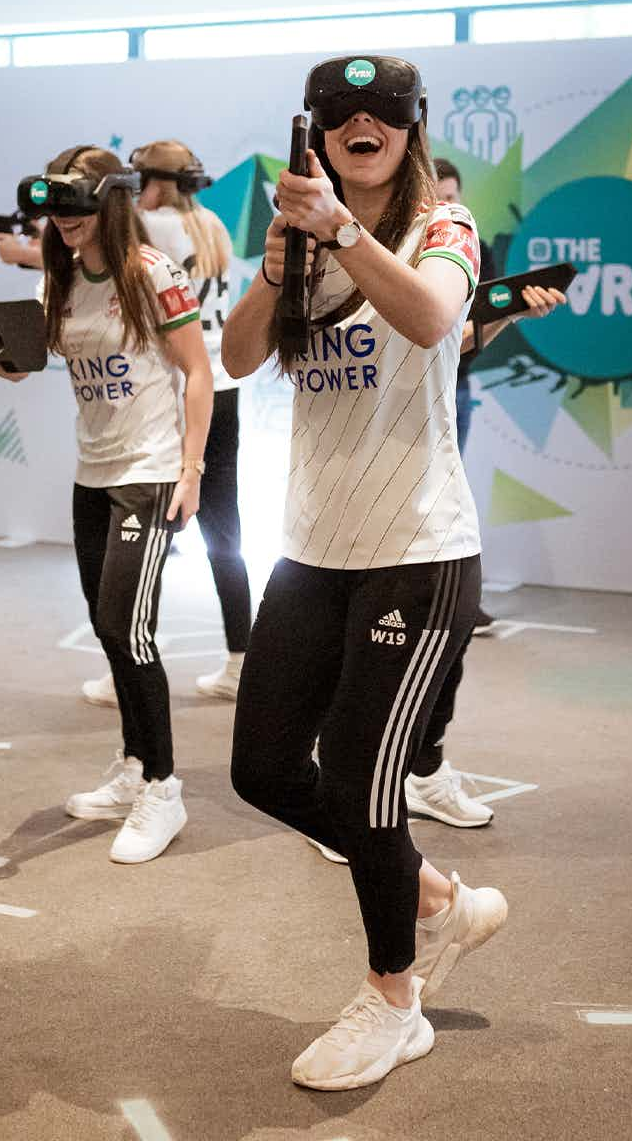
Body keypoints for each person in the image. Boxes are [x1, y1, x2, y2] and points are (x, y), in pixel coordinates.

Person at [223, 54, 509, 1091]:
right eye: (339, 112)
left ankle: (395, 999)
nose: (360, 124)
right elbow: (239, 355)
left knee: (359, 780)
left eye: (381, 111)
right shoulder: (301, 240)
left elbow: (433, 320)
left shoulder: (442, 227)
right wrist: (281, 252)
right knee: (262, 768)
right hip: (313, 552)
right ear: (316, 129)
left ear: (410, 127)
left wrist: (341, 230)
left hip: (419, 553)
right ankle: (435, 899)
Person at [0, 145, 213, 864]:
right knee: (105, 625)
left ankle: (163, 787)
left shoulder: (151, 273)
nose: (61, 221)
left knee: (130, 628)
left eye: (74, 207)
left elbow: (197, 373)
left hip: (149, 472)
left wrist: (191, 471)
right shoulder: (58, 282)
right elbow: (16, 365)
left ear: (109, 202)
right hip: (92, 474)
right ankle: (132, 766)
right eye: (54, 210)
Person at [403, 157, 565, 829]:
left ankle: (425, 769)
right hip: (362, 491)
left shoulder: (454, 249)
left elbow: (452, 342)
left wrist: (507, 315)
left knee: (450, 633)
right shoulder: (367, 258)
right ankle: (362, 798)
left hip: (431, 487)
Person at [81, 140, 252, 706]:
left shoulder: (155, 228)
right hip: (223, 389)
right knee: (223, 535)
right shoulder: (213, 227)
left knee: (145, 540)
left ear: (146, 183)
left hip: (181, 389)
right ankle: (239, 656)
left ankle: (126, 661)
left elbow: (104, 259)